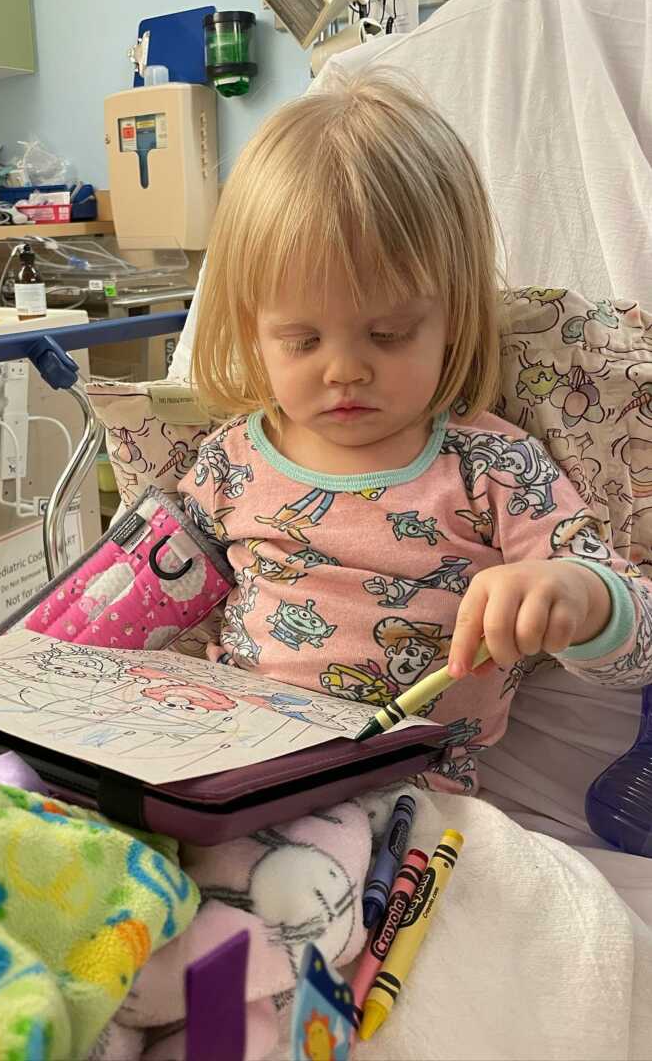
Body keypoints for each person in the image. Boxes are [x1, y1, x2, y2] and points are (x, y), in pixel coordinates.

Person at [177, 71, 652, 793]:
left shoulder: (495, 467)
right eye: (301, 341)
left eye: (389, 334)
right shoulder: (229, 463)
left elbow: (638, 640)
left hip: (407, 795)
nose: (344, 370)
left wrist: (578, 596)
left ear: (454, 319)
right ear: (253, 332)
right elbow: (141, 598)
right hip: (229, 760)